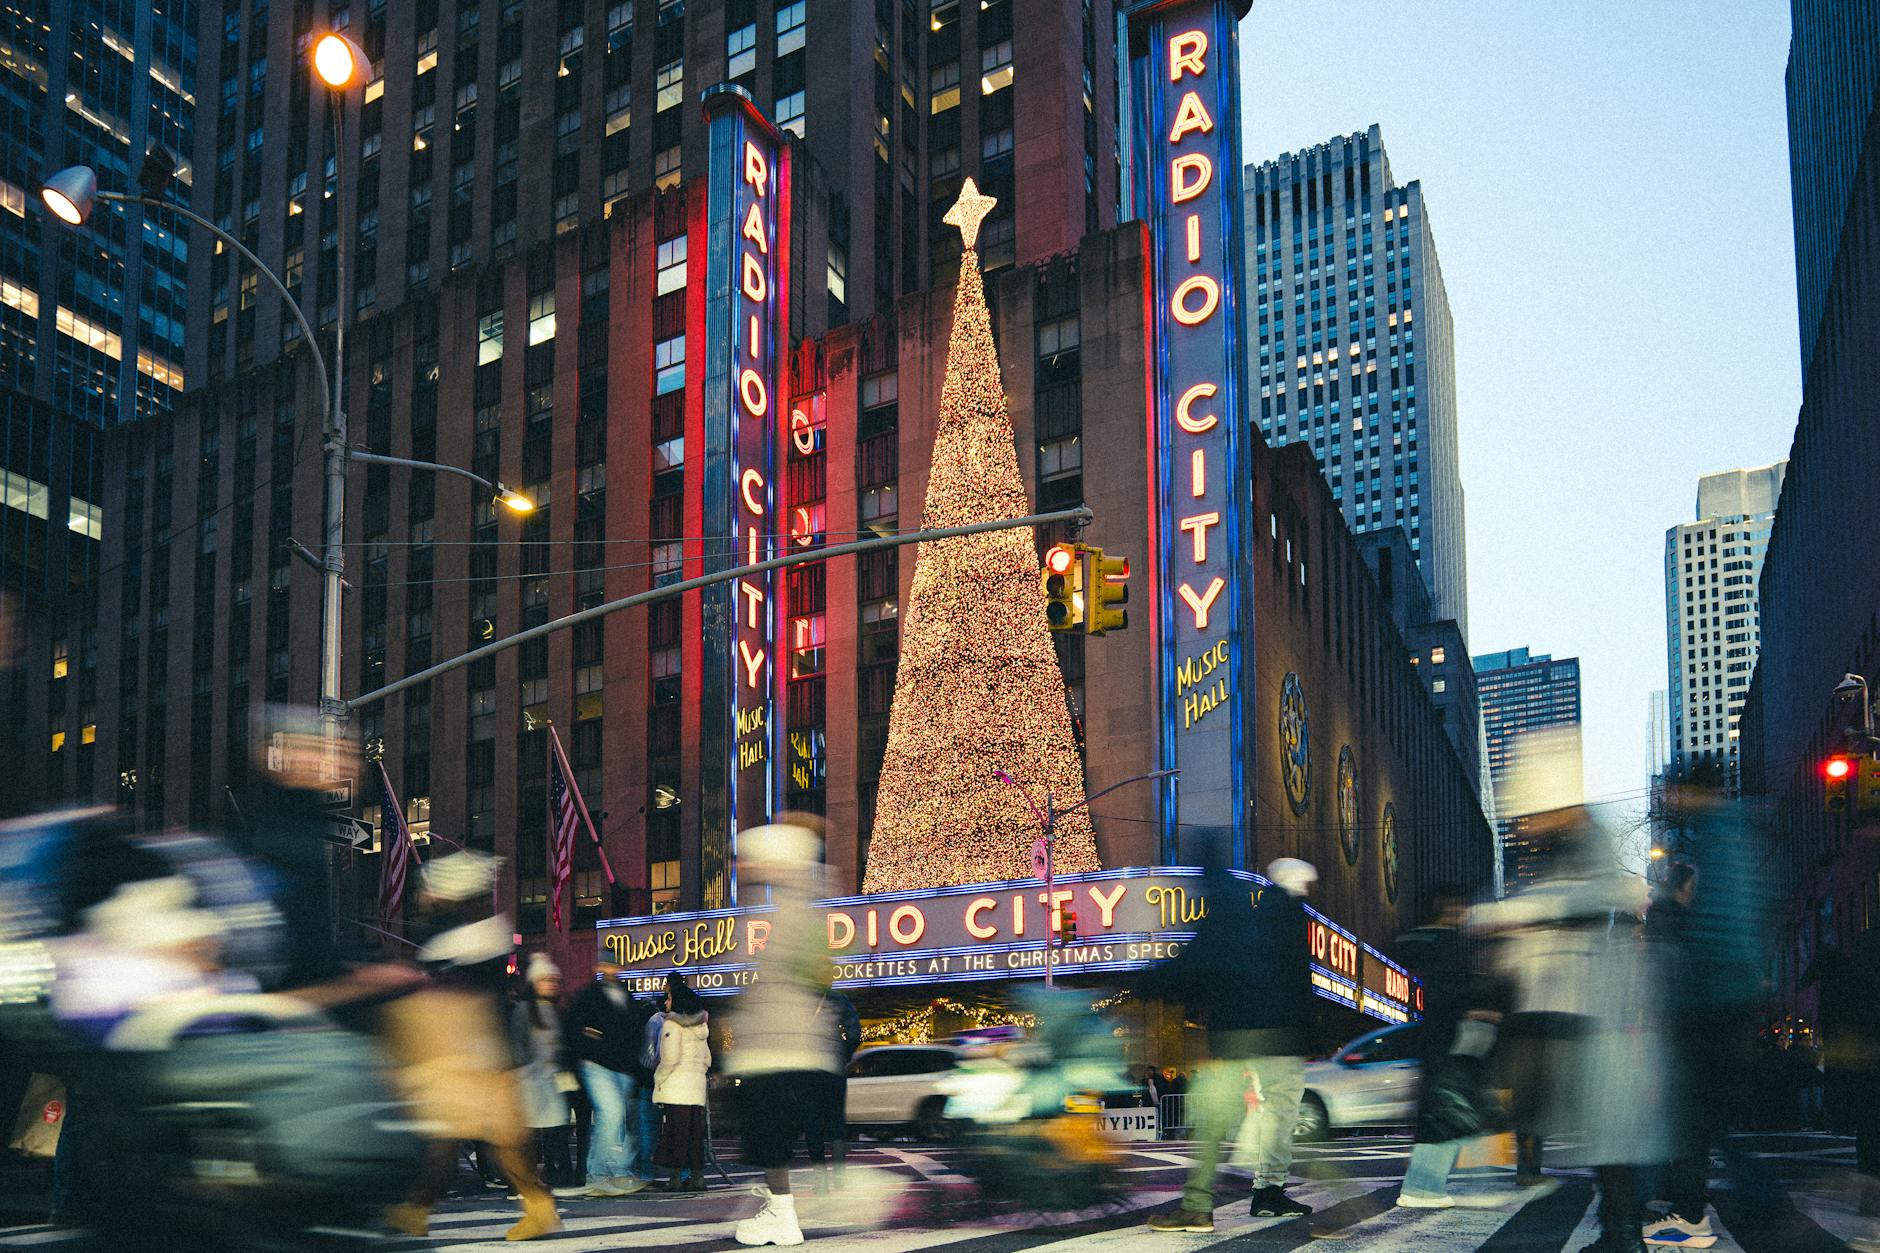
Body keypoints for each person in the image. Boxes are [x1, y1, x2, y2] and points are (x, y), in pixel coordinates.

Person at [1473, 810, 1669, 1253]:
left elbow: (1495, 926)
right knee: (1607, 1137)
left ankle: (1620, 1232)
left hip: (1565, 1027)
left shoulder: (1563, 896)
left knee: (1600, 1133)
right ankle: (1623, 1232)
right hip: (1586, 1026)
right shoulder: (1598, 900)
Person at [380, 852, 561, 1241]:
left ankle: (417, 1210)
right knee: (464, 1139)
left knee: (457, 1138)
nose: (424, 896)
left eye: (431, 889)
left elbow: (446, 999)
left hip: (468, 1054)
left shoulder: (456, 936)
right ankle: (420, 1210)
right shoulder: (483, 933)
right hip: (482, 1054)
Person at [1143, 857, 1319, 1234]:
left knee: (1212, 1120)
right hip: (1281, 1037)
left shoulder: (1236, 919)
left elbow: (1196, 970)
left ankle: (1197, 1206)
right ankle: (1269, 1193)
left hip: (1234, 1035)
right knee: (1279, 1117)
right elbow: (1302, 988)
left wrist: (1147, 984)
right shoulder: (1292, 921)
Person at [727, 821, 842, 1247]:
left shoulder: (797, 911)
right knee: (771, 1138)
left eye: (753, 859)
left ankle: (782, 1215)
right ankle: (781, 1210)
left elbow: (813, 971)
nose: (745, 866)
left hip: (779, 1049)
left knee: (769, 1138)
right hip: (789, 1049)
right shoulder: (795, 905)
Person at [1393, 887, 1508, 1209]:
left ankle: (1428, 1186)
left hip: (1440, 1038)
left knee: (1454, 1112)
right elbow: (1449, 994)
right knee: (1450, 1113)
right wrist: (1471, 1012)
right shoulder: (1450, 945)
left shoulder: (1427, 942)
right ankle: (1424, 1188)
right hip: (1448, 1039)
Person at [565, 963, 652, 1196]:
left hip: (620, 1067)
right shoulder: (592, 995)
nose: (612, 969)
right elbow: (575, 1029)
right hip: (597, 1064)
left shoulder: (624, 996)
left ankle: (614, 1170)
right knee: (612, 1114)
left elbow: (635, 1033)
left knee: (617, 1119)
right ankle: (598, 1172)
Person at [513, 953, 576, 1191]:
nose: (549, 983)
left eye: (552, 979)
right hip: (530, 1080)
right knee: (529, 1134)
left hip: (552, 1080)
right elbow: (517, 1044)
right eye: (544, 979)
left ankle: (558, 1174)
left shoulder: (556, 1010)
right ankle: (526, 1178)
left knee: (556, 1131)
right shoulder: (524, 1010)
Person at [652, 973, 711, 1192]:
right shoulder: (700, 1029)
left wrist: (659, 1078)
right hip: (695, 1088)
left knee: (674, 1133)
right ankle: (697, 1178)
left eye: (668, 999)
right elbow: (707, 1059)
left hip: (676, 1087)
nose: (666, 1003)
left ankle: (675, 1179)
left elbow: (669, 1059)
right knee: (695, 1135)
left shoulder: (672, 1026)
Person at [806, 986, 862, 1194]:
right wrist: (843, 1053)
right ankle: (839, 1175)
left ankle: (820, 1181)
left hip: (809, 1067)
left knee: (812, 1124)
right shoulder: (840, 999)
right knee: (836, 1120)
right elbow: (855, 1032)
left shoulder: (803, 999)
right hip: (834, 1067)